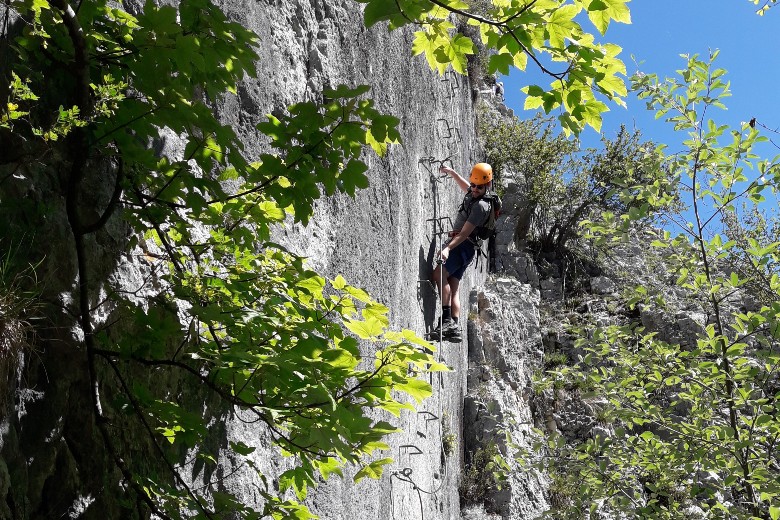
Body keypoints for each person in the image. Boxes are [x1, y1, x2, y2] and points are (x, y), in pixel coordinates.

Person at [430, 163, 494, 342]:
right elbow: (465, 185)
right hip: (467, 249)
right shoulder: (475, 195)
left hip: (461, 245)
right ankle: (455, 326)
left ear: (487, 186)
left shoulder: (481, 206)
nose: (473, 189)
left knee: (438, 275)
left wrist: (447, 248)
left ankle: (446, 320)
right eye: (473, 185)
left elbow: (465, 233)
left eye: (478, 187)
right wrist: (452, 172)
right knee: (454, 286)